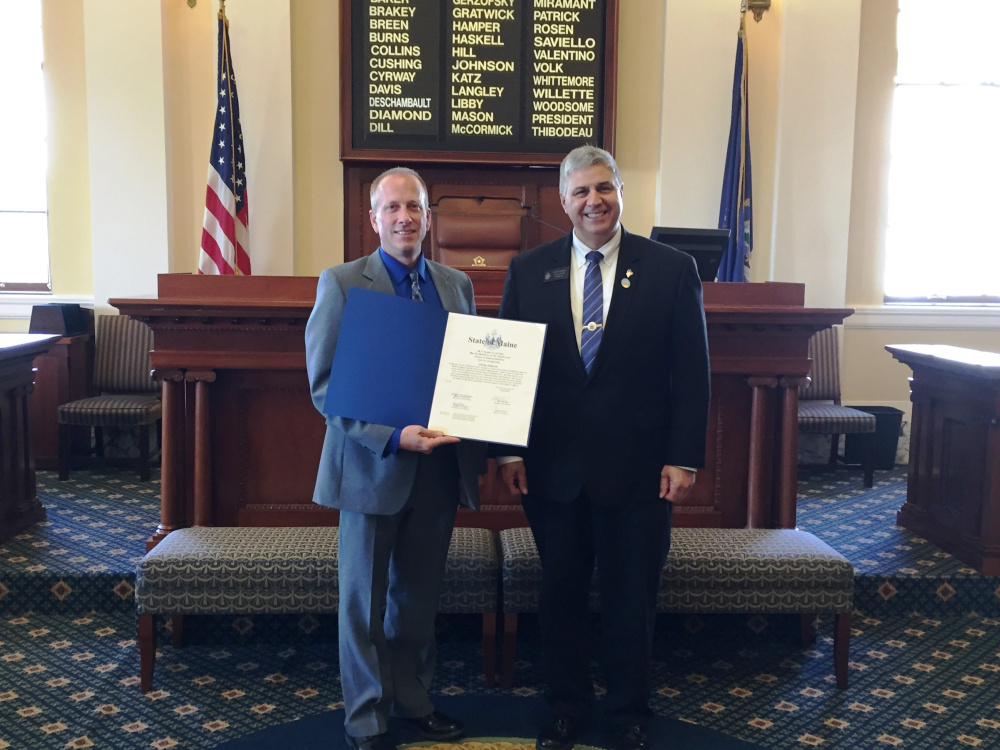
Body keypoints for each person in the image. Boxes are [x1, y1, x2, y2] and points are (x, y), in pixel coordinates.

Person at [496, 145, 711, 750]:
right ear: (562, 202)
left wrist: (684, 455)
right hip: (552, 470)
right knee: (560, 592)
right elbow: (507, 370)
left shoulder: (671, 268)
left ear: (621, 192)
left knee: (630, 597)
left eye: (605, 188)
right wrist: (507, 453)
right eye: (582, 192)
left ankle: (628, 713)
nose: (595, 201)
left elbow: (691, 373)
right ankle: (564, 706)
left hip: (641, 471)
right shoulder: (528, 270)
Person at [305, 167, 485, 750]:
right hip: (370, 468)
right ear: (374, 218)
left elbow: (470, 375)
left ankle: (412, 701)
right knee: (362, 603)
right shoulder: (341, 283)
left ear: (429, 217)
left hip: (437, 471)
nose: (405, 217)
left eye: (415, 206)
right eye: (393, 207)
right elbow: (326, 386)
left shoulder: (456, 284)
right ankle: (366, 719)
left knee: (416, 602)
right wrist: (390, 435)